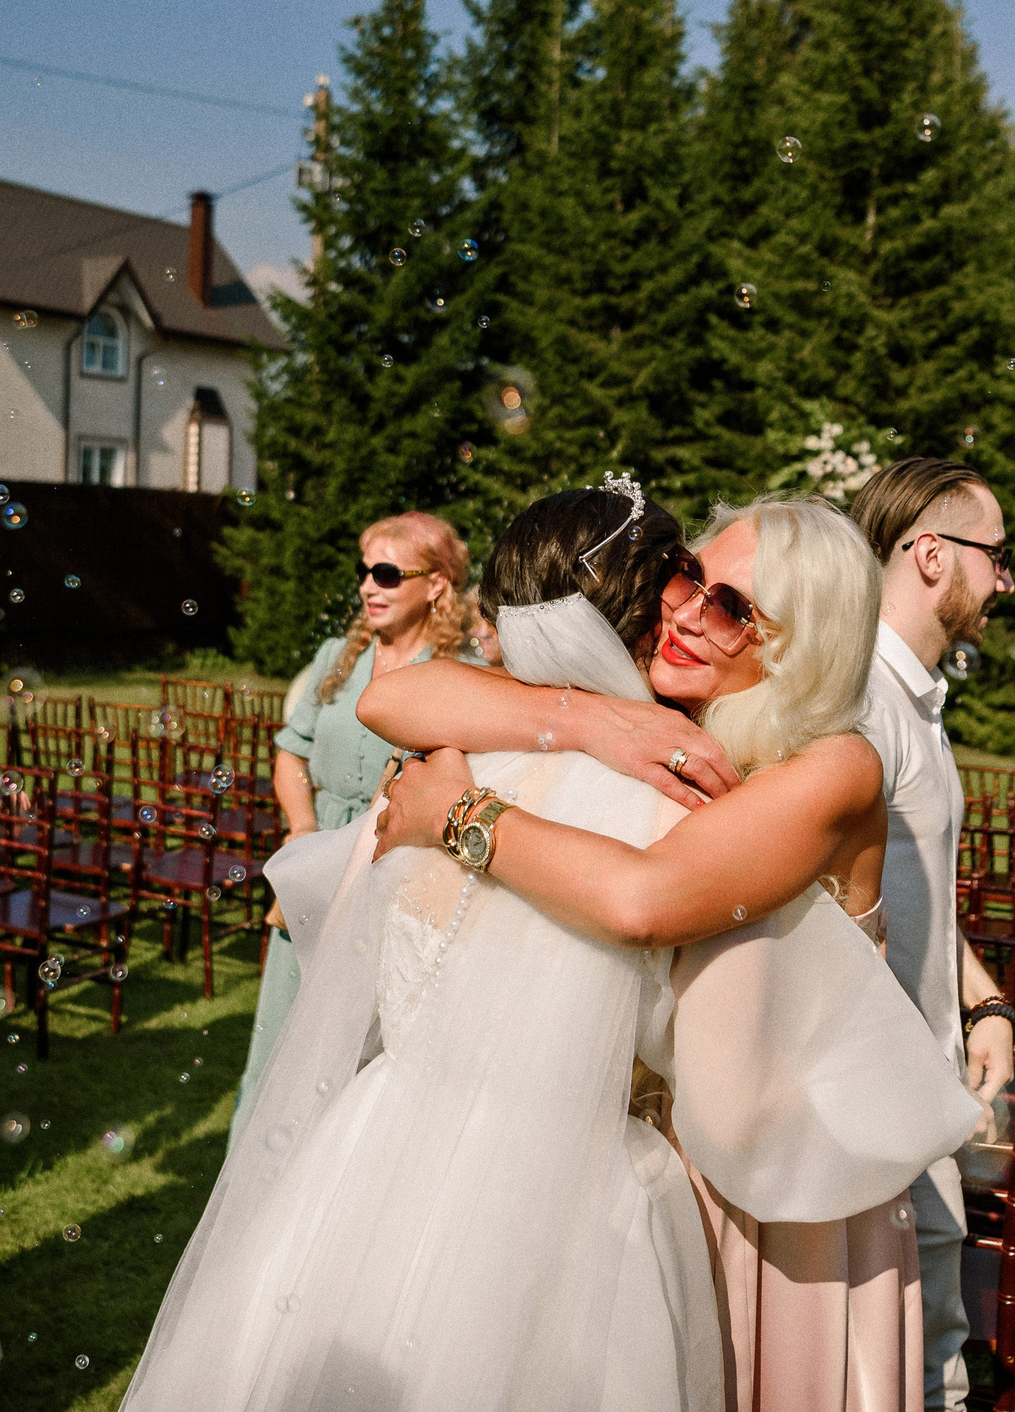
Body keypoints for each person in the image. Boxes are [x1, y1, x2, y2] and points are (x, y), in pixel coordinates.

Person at [126, 483, 742, 1409]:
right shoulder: (675, 807)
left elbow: (349, 932)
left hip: (375, 1147)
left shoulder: (429, 771)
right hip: (562, 1194)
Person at [368, 492, 983, 1412]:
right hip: (666, 1176)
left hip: (786, 1213)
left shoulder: (836, 769)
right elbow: (391, 696)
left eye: (731, 606)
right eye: (689, 576)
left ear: (800, 644)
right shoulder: (665, 720)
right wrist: (590, 721)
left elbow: (641, 900)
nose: (687, 612)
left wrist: (457, 812)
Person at [848, 458, 1015, 1412]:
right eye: (996, 555)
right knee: (921, 1366)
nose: (1005, 580)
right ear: (931, 555)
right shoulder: (864, 704)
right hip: (883, 1102)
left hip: (921, 1084)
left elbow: (912, 891)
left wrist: (983, 998)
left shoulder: (911, 697)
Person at [229, 511, 478, 1147]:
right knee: (280, 1041)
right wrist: (302, 829)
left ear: (436, 584)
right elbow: (291, 753)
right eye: (364, 571)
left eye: (388, 573)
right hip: (316, 874)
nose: (369, 586)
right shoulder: (336, 658)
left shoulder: (462, 671)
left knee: (358, 1054)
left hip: (397, 876)